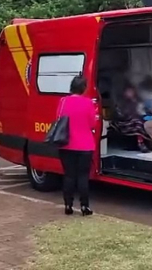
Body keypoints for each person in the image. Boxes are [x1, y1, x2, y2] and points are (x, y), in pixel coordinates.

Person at [57, 75, 97, 216]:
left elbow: (59, 119)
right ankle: (84, 206)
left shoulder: (63, 101)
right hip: (85, 146)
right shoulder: (88, 103)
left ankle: (68, 205)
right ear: (84, 88)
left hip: (66, 144)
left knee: (69, 176)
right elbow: (93, 123)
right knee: (83, 177)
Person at [110, 82, 152, 153]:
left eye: (132, 91)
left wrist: (148, 114)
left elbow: (144, 110)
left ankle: (151, 143)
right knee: (137, 122)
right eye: (129, 91)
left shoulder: (138, 100)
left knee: (149, 121)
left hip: (139, 117)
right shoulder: (121, 102)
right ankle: (140, 143)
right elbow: (120, 114)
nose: (131, 93)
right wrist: (133, 114)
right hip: (125, 121)